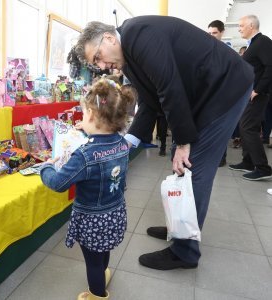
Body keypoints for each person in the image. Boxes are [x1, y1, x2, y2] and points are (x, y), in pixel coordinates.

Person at [74, 16, 253, 270]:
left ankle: (185, 252)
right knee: (179, 163)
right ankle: (177, 226)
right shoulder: (129, 53)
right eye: (97, 64)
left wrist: (182, 142)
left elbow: (170, 86)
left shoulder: (139, 34)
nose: (102, 66)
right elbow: (150, 99)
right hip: (206, 92)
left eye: (98, 57)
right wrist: (128, 143)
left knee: (193, 166)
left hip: (226, 88)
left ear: (109, 38)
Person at [40, 78, 135, 299]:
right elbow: (104, 145)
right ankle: (103, 274)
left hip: (92, 219)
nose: (82, 119)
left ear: (91, 115)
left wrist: (45, 167)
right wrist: (88, 130)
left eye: (84, 115)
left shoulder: (84, 155)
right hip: (115, 212)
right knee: (104, 250)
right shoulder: (122, 143)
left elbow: (58, 183)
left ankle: (96, 293)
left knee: (92, 260)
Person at [229, 15, 272, 180]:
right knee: (243, 126)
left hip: (257, 95)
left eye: (241, 25)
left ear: (252, 25)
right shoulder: (254, 44)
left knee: (248, 128)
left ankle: (263, 168)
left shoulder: (263, 42)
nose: (239, 28)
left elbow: (270, 66)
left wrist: (258, 90)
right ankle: (247, 161)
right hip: (249, 94)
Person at [208, 20, 227, 166]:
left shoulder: (227, 52)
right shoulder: (206, 50)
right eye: (209, 33)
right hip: (208, 94)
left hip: (222, 94)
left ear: (222, 33)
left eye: (214, 33)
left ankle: (221, 157)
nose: (211, 36)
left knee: (221, 128)